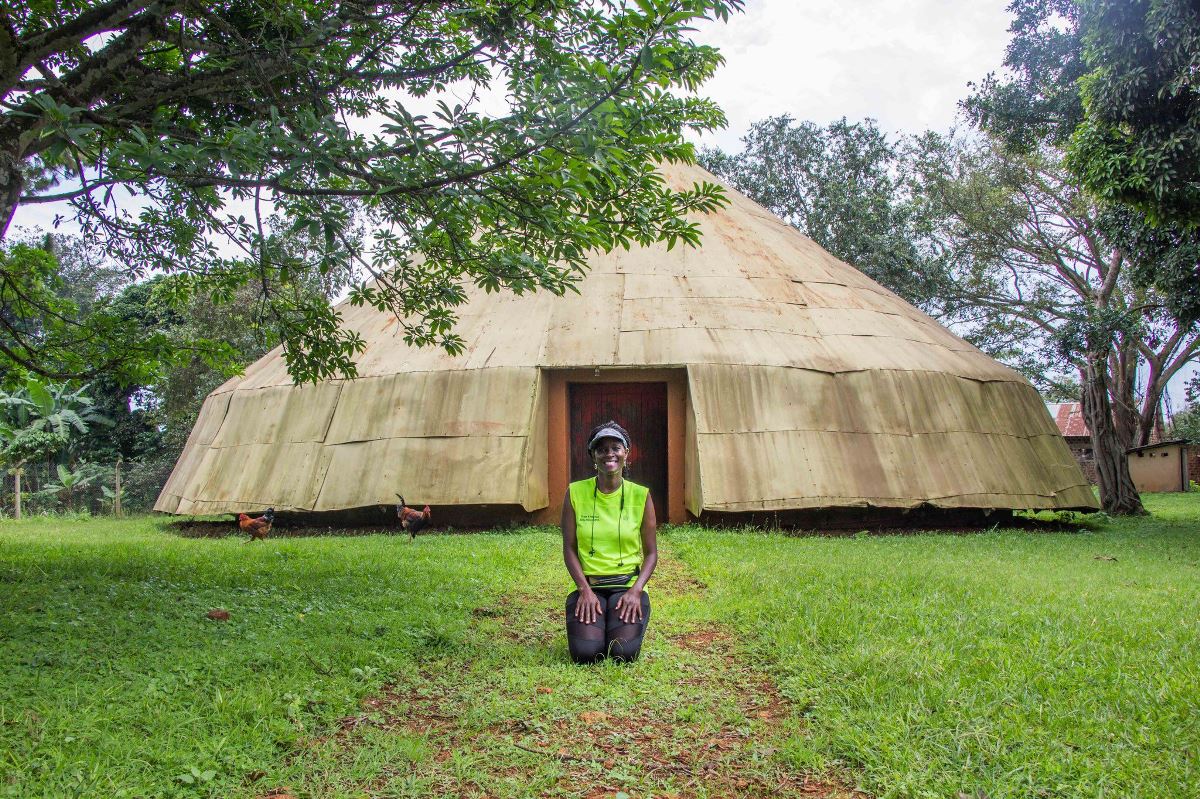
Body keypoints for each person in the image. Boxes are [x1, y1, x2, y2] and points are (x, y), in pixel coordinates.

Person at [561, 420, 658, 664]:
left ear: (626, 453)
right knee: (586, 654)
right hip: (589, 585)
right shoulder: (574, 493)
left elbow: (651, 554)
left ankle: (617, 616)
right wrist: (584, 590)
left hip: (627, 585)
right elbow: (569, 547)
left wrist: (636, 591)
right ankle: (598, 617)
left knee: (622, 654)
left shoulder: (641, 495)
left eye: (616, 447)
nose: (609, 454)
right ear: (593, 455)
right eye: (601, 449)